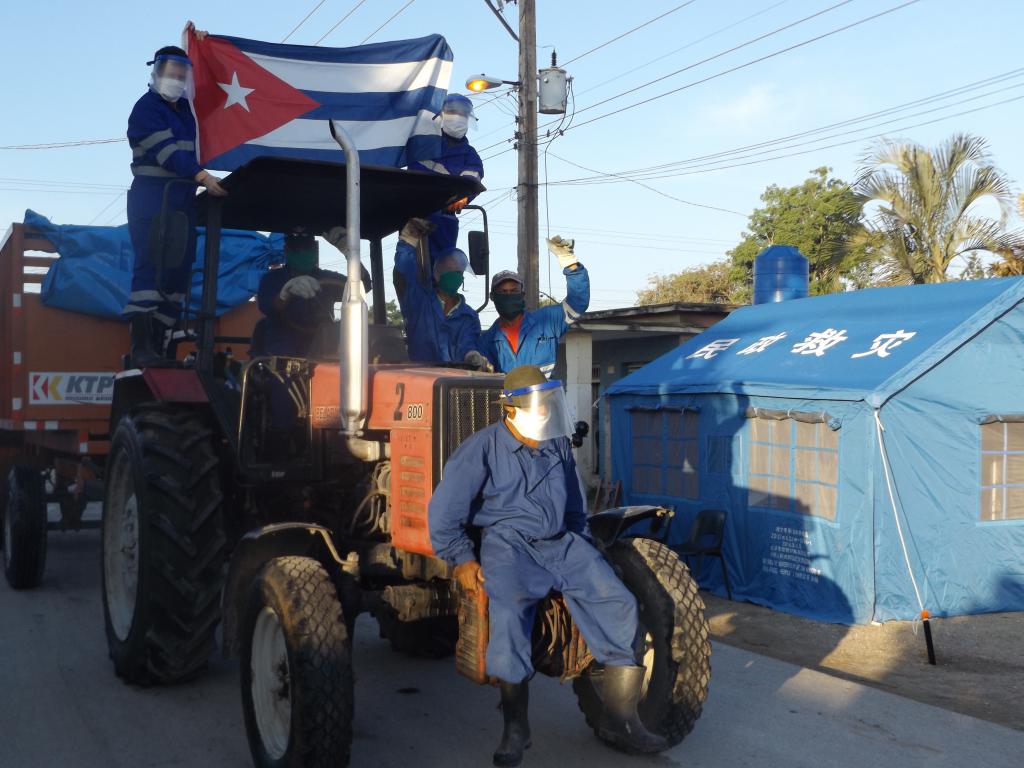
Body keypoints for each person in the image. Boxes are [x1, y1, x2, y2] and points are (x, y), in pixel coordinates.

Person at [428, 365, 667, 766]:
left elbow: (574, 504)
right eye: (537, 407)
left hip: (561, 542)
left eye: (547, 406)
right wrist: (462, 559)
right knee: (508, 612)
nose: (544, 414)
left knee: (619, 601)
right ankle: (515, 728)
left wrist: (587, 548)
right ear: (512, 410)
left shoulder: (556, 445)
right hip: (509, 546)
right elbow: (444, 513)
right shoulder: (482, 448)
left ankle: (623, 719)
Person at [124, 40, 227, 366]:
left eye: (183, 71)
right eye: (171, 71)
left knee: (177, 274)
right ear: (156, 72)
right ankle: (142, 345)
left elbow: (221, 108)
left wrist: (209, 50)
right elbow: (169, 154)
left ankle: (164, 343)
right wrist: (203, 178)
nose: (177, 77)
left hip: (182, 201)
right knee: (152, 268)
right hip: (153, 197)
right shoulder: (146, 109)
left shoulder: (187, 111)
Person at [478, 237, 589, 378]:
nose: (509, 295)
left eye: (514, 291)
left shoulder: (547, 321)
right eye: (503, 292)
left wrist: (570, 262)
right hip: (506, 401)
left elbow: (578, 302)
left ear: (522, 295)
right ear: (493, 297)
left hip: (544, 399)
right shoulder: (486, 342)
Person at [253, 231, 369, 358]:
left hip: (323, 350)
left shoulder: (327, 277)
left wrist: (350, 252)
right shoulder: (272, 278)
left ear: (315, 249)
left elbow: (364, 286)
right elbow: (267, 307)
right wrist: (284, 294)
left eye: (308, 248)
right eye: (298, 248)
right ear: (287, 250)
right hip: (281, 354)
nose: (303, 252)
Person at [393, 218, 488, 368]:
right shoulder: (419, 303)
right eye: (450, 270)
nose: (456, 275)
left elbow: (468, 344)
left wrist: (471, 354)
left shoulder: (469, 316)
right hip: (419, 379)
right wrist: (408, 240)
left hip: (454, 384)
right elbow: (404, 272)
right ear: (438, 273)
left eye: (459, 271)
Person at [408, 93, 484, 264]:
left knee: (443, 267)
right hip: (418, 215)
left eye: (463, 115)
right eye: (454, 113)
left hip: (446, 218)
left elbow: (472, 179)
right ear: (442, 115)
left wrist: (464, 197)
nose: (458, 118)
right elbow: (414, 175)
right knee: (412, 264)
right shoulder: (425, 144)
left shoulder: (470, 155)